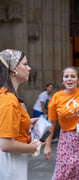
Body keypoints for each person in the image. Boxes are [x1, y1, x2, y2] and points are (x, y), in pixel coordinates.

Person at [0, 49, 42, 180]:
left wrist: (28, 123)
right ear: (13, 70)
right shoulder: (8, 99)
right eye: (25, 64)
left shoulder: (8, 96)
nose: (29, 68)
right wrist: (33, 147)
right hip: (10, 165)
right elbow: (6, 145)